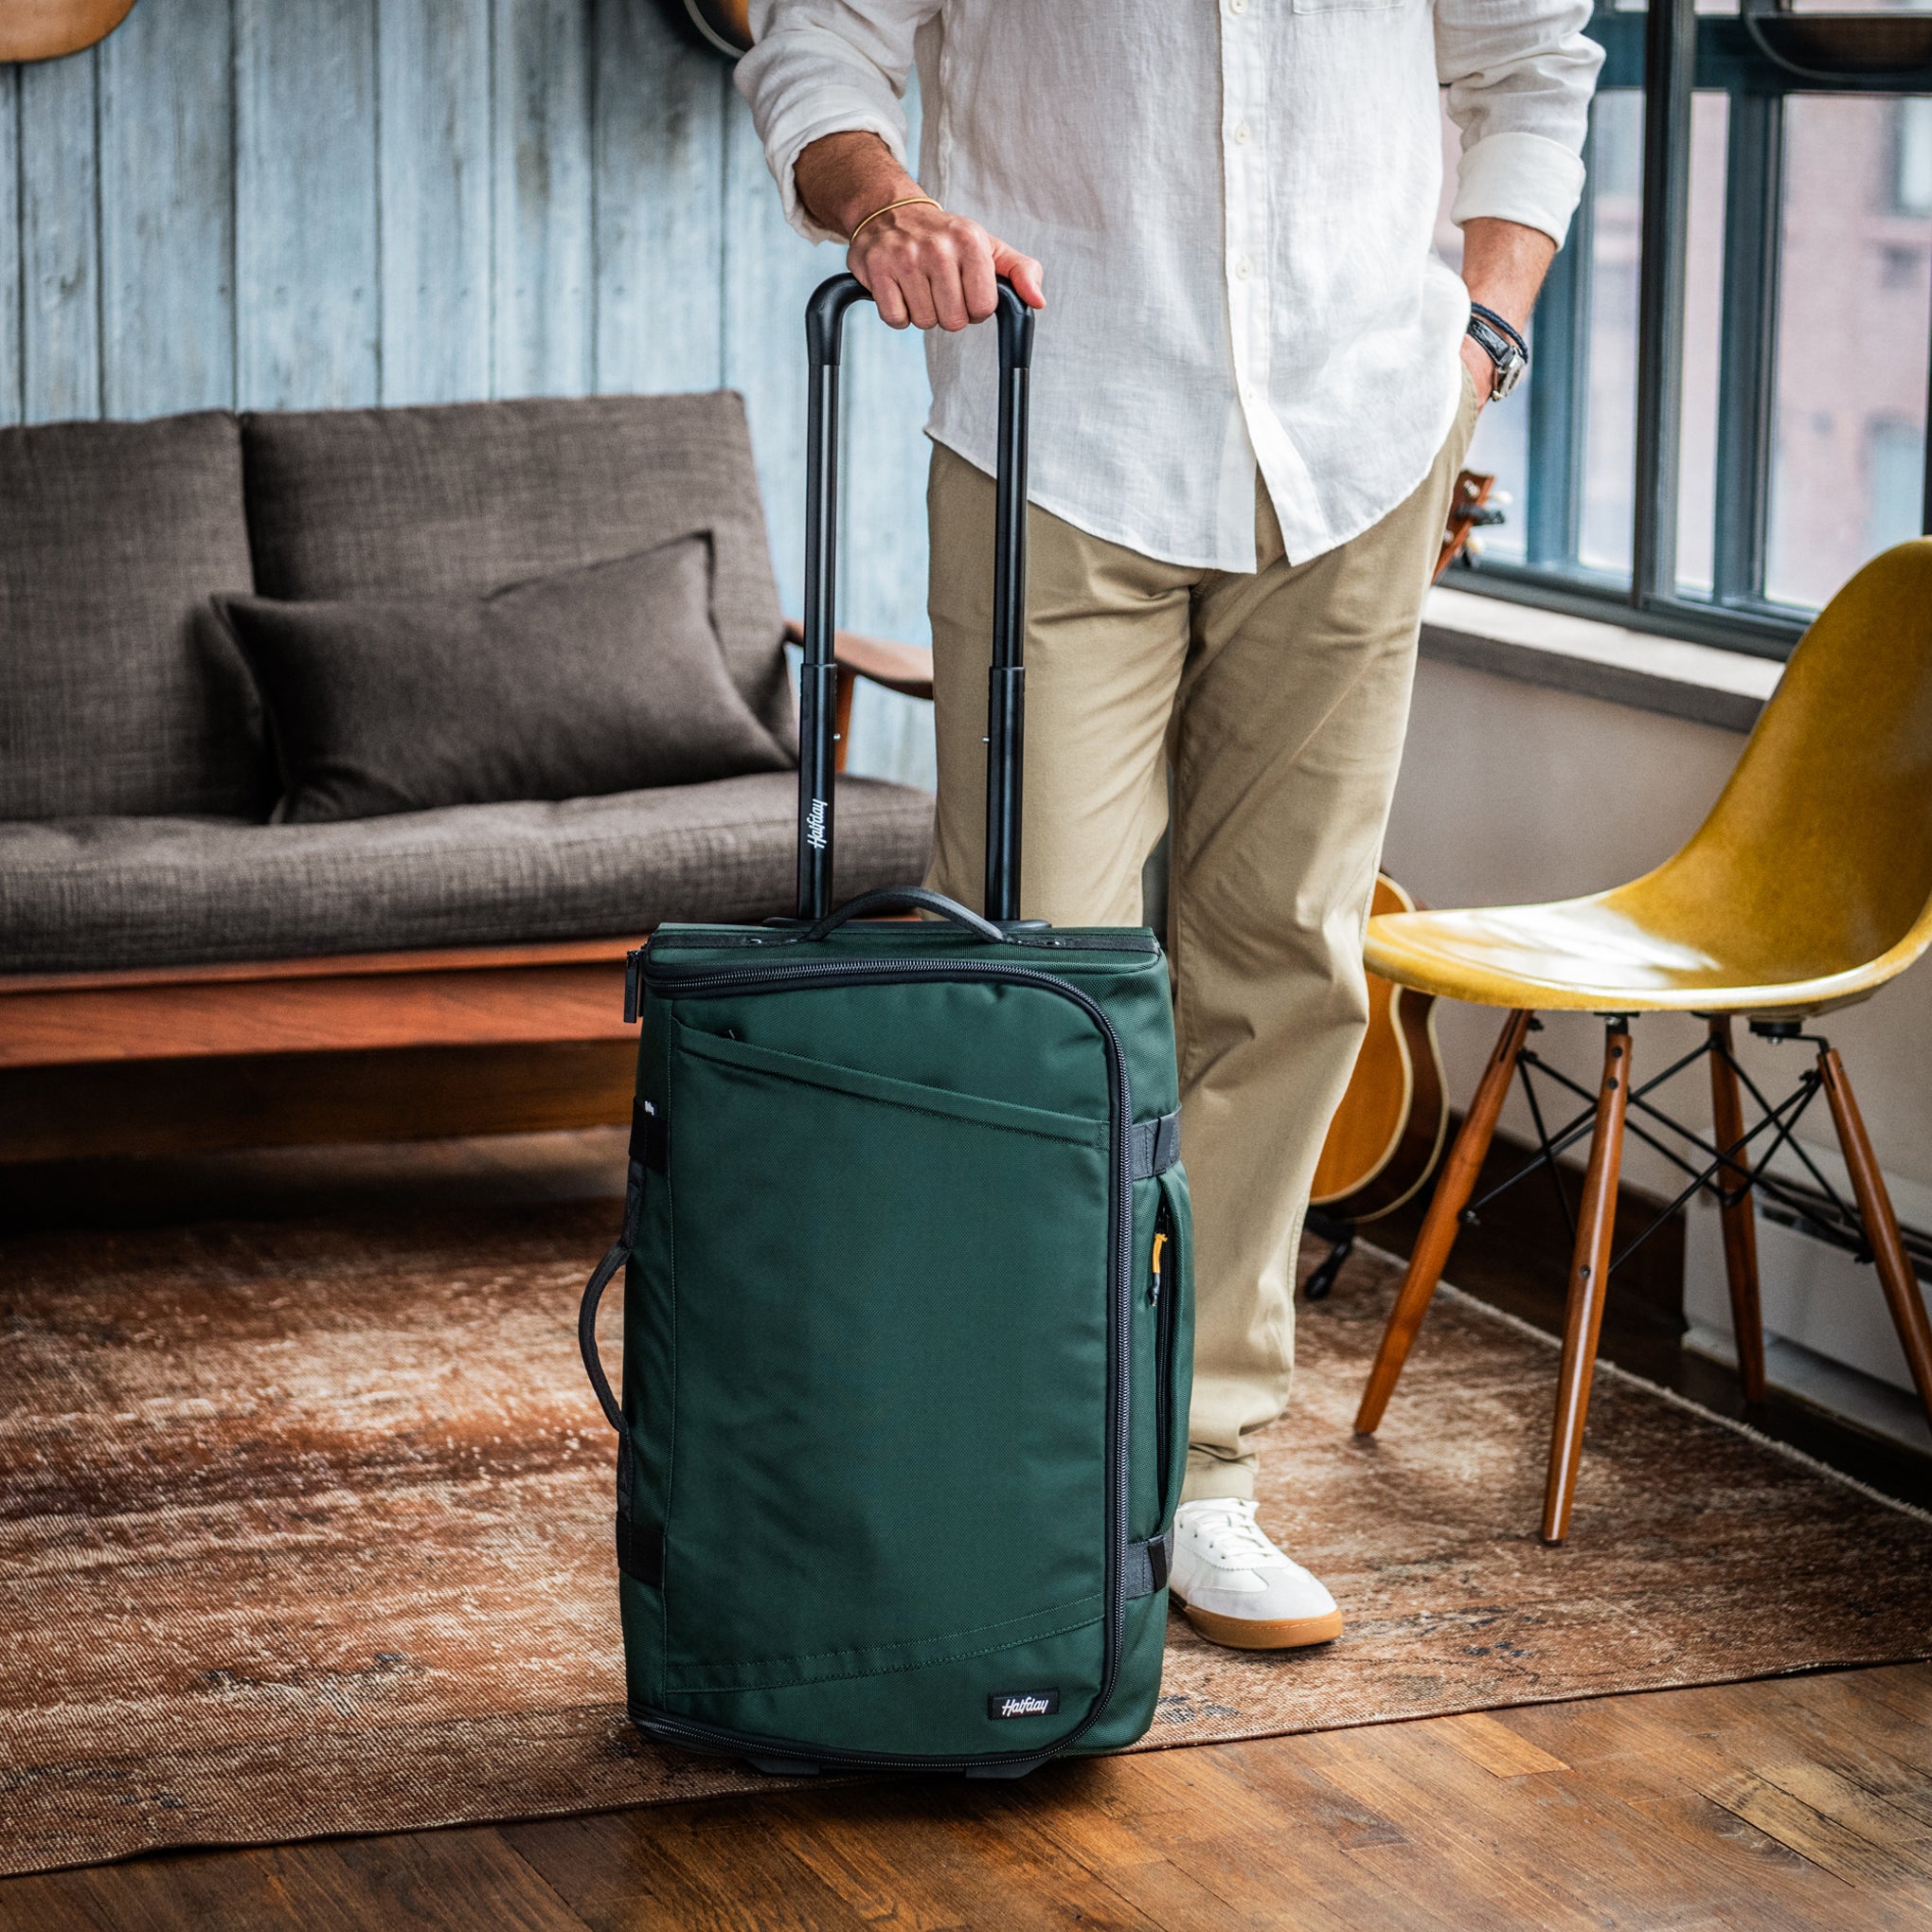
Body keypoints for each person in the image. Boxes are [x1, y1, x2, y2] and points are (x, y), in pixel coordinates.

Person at [739, 0, 1601, 1650]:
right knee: (1030, 978)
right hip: (1060, 425)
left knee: (1286, 963)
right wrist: (881, 201)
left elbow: (1532, 68)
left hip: (1363, 433)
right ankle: (1010, 1458)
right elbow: (815, 40)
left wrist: (1483, 335)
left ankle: (1200, 1470)